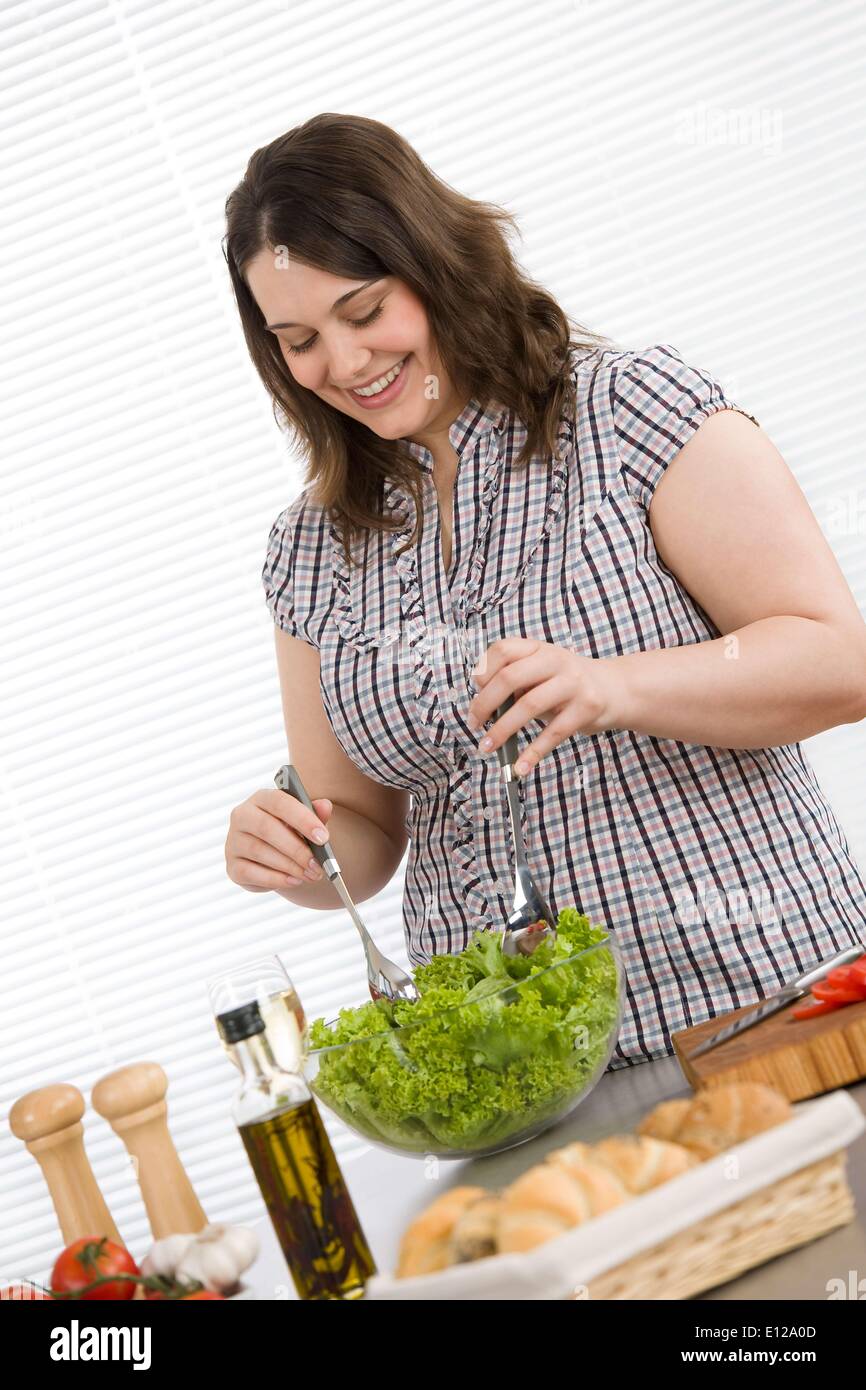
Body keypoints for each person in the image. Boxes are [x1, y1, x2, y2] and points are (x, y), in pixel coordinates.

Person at [222, 113, 866, 1068]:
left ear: (436, 265)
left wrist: (618, 687)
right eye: (299, 340)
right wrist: (294, 853)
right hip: (513, 1069)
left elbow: (837, 662)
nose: (346, 363)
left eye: (364, 313)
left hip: (756, 1003)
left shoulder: (629, 411)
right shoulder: (312, 551)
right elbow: (360, 833)